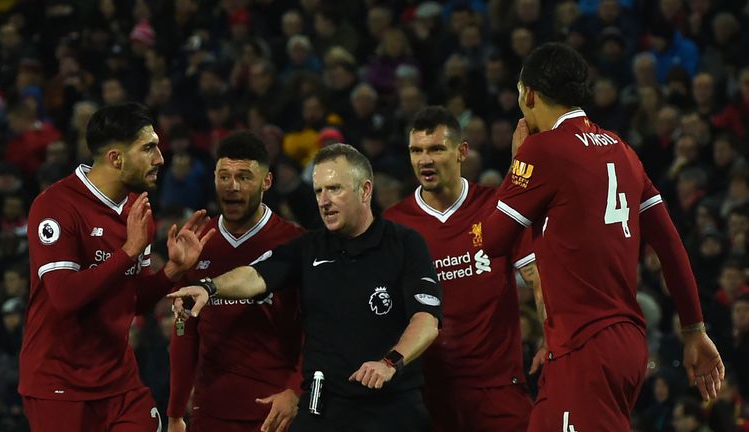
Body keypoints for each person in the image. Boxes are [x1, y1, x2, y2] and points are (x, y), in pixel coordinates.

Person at [482, 43, 724, 431]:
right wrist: (694, 329)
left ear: (528, 93)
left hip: (586, 348)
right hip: (616, 342)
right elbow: (670, 246)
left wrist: (516, 167)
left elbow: (491, 240)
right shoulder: (623, 151)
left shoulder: (542, 150)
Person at [170, 143, 442, 432]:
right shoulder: (308, 247)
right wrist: (209, 287)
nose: (324, 200)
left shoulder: (404, 244)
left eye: (335, 189)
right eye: (318, 191)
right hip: (322, 408)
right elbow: (255, 276)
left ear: (365, 190)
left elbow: (427, 320)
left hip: (390, 407)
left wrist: (389, 363)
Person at [19, 102, 215, 432]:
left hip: (119, 382)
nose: (160, 159)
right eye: (149, 148)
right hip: (59, 385)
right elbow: (64, 297)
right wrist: (127, 253)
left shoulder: (137, 212)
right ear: (116, 158)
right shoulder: (56, 205)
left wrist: (173, 270)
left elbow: (134, 300)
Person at [383, 105, 537, 431]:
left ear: (461, 152)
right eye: (417, 151)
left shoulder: (497, 208)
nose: (425, 160)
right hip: (428, 394)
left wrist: (554, 343)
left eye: (436, 149)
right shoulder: (394, 226)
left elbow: (538, 279)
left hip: (499, 388)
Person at [167, 131, 305, 432]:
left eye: (244, 177)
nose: (232, 187)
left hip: (277, 411)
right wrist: (176, 411)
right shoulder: (197, 243)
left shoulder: (294, 242)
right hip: (211, 411)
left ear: (266, 182)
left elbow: (316, 330)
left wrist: (296, 390)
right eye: (224, 176)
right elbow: (184, 331)